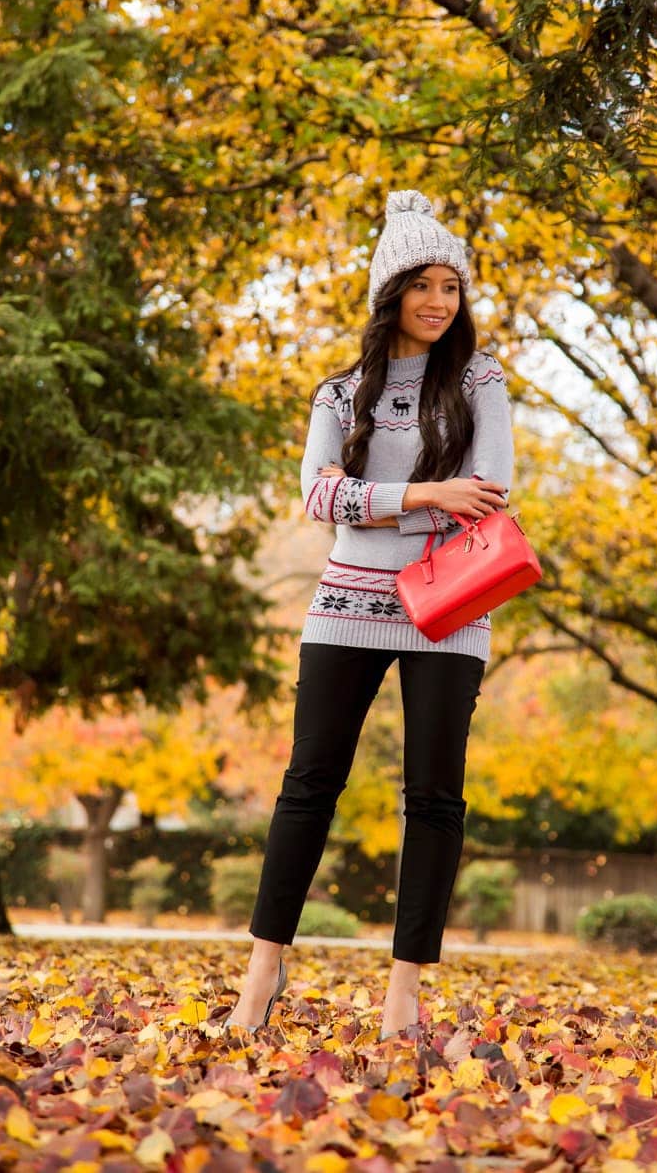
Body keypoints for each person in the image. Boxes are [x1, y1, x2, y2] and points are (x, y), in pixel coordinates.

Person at [226, 189, 514, 1038]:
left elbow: (491, 491)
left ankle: (403, 993)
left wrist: (376, 502)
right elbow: (319, 494)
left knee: (433, 796)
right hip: (346, 603)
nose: (438, 301)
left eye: (451, 286)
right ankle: (261, 974)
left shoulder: (480, 377)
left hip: (451, 607)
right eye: (421, 285)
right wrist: (428, 491)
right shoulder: (339, 390)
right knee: (307, 787)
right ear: (390, 294)